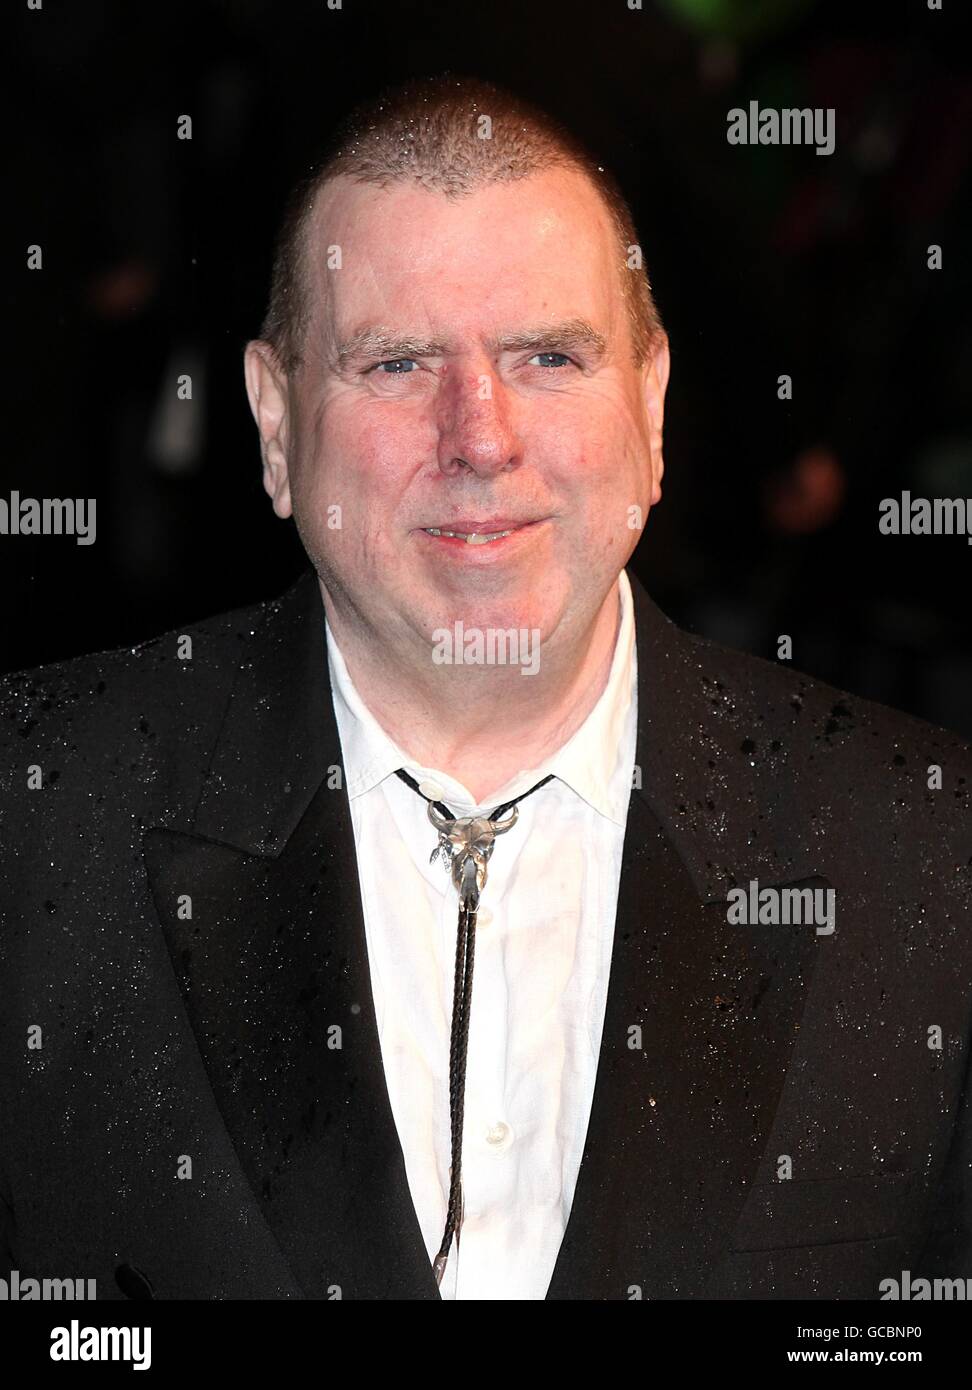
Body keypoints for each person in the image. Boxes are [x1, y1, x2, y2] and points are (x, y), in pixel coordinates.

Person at [1, 75, 970, 1303]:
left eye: (550, 355)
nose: (482, 436)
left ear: (653, 406)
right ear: (272, 423)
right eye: (398, 362)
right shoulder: (33, 827)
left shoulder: (931, 860)